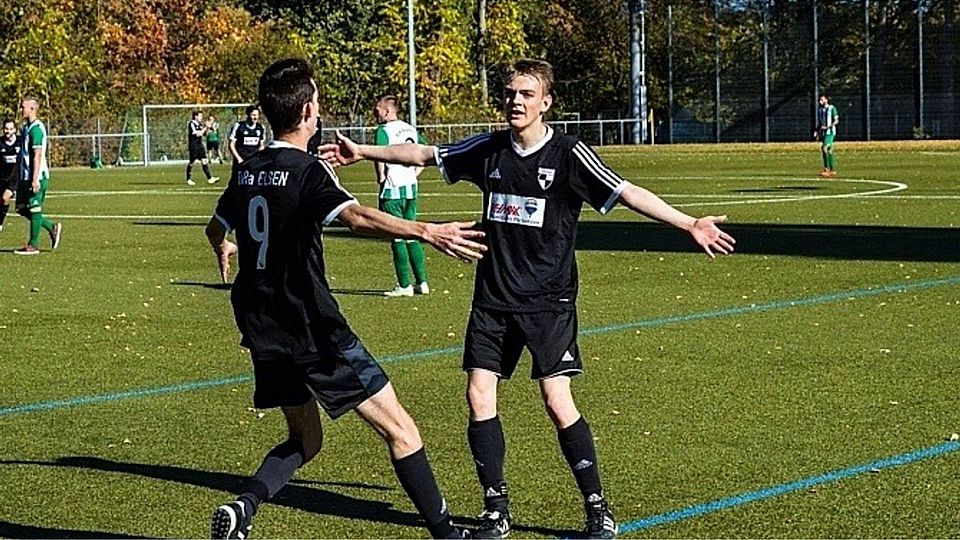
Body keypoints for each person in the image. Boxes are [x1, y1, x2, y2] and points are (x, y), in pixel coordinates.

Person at [321, 58, 736, 539]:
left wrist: (688, 223)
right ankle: (496, 511)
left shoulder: (569, 153)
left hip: (548, 301)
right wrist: (364, 151)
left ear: (546, 102)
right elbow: (424, 156)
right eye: (509, 93)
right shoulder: (490, 149)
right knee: (479, 396)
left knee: (556, 399)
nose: (515, 101)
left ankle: (597, 508)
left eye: (525, 94)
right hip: (493, 297)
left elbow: (625, 192)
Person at [205, 58, 485, 540]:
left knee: (305, 440)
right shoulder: (307, 170)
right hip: (312, 327)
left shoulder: (247, 170)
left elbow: (215, 229)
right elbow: (356, 218)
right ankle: (449, 536)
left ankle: (243, 506)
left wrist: (227, 248)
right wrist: (426, 230)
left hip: (262, 328)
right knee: (402, 431)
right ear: (310, 111)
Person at [373, 94, 430, 297]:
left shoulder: (383, 130)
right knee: (412, 233)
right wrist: (415, 173)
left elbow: (379, 155)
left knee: (397, 236)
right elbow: (426, 152)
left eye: (377, 109)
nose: (375, 113)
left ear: (387, 111)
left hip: (392, 189)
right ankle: (422, 282)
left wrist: (380, 176)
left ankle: (404, 285)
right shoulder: (410, 129)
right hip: (410, 188)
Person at [14, 97, 62, 255]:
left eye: (23, 107)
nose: (21, 110)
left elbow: (38, 155)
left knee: (35, 209)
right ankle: (51, 227)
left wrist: (35, 179)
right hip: (24, 176)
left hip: (37, 176)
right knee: (20, 207)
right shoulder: (26, 127)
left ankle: (33, 245)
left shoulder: (36, 129)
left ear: (32, 109)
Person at [228, 105, 266, 175]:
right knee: (236, 184)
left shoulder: (260, 128)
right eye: (253, 115)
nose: (255, 117)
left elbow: (261, 145)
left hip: (254, 162)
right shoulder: (239, 126)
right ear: (248, 115)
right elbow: (231, 144)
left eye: (257, 115)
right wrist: (238, 159)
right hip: (241, 161)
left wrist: (259, 158)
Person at [186, 110, 219, 186]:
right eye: (200, 116)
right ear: (196, 116)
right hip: (193, 145)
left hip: (200, 145)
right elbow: (197, 134)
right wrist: (205, 127)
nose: (201, 118)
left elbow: (204, 134)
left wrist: (209, 128)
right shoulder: (191, 124)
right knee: (192, 163)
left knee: (204, 161)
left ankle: (210, 178)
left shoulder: (200, 124)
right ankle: (188, 179)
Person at [0, 118, 20, 232]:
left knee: (5, 197)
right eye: (6, 129)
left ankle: (0, 223)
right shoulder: (0, 142)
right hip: (2, 178)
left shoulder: (20, 142)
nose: (8, 131)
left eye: (11, 129)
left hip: (14, 178)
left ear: (15, 130)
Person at [814, 94, 839, 177]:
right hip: (824, 133)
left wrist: (828, 127)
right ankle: (832, 170)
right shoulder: (820, 110)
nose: (820, 101)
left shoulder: (832, 108)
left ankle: (826, 169)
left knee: (824, 148)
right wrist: (817, 131)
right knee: (829, 150)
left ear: (826, 100)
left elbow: (836, 121)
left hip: (830, 132)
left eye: (822, 99)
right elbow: (821, 123)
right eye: (820, 100)